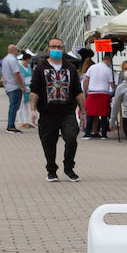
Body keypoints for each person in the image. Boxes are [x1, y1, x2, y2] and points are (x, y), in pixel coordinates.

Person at [28, 37, 85, 182]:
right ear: (47, 49)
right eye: (53, 47)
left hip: (67, 111)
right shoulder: (40, 68)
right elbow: (34, 91)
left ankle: (69, 168)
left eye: (59, 47)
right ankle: (51, 170)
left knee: (71, 138)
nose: (56, 50)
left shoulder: (70, 68)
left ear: (63, 49)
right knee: (48, 142)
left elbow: (78, 92)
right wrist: (32, 110)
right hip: (47, 112)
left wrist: (83, 111)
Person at [82, 53, 115, 139]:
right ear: (108, 61)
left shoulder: (92, 67)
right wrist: (114, 89)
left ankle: (87, 134)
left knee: (90, 114)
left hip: (92, 93)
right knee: (104, 115)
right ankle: (104, 135)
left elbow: (86, 80)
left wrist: (85, 91)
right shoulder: (108, 70)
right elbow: (111, 84)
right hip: (104, 94)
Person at [0, 45, 26, 133]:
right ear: (14, 50)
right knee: (14, 106)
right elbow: (16, 73)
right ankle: (10, 126)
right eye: (17, 50)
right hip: (15, 86)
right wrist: (21, 86)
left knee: (13, 106)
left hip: (9, 85)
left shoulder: (5, 59)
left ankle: (11, 125)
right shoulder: (13, 60)